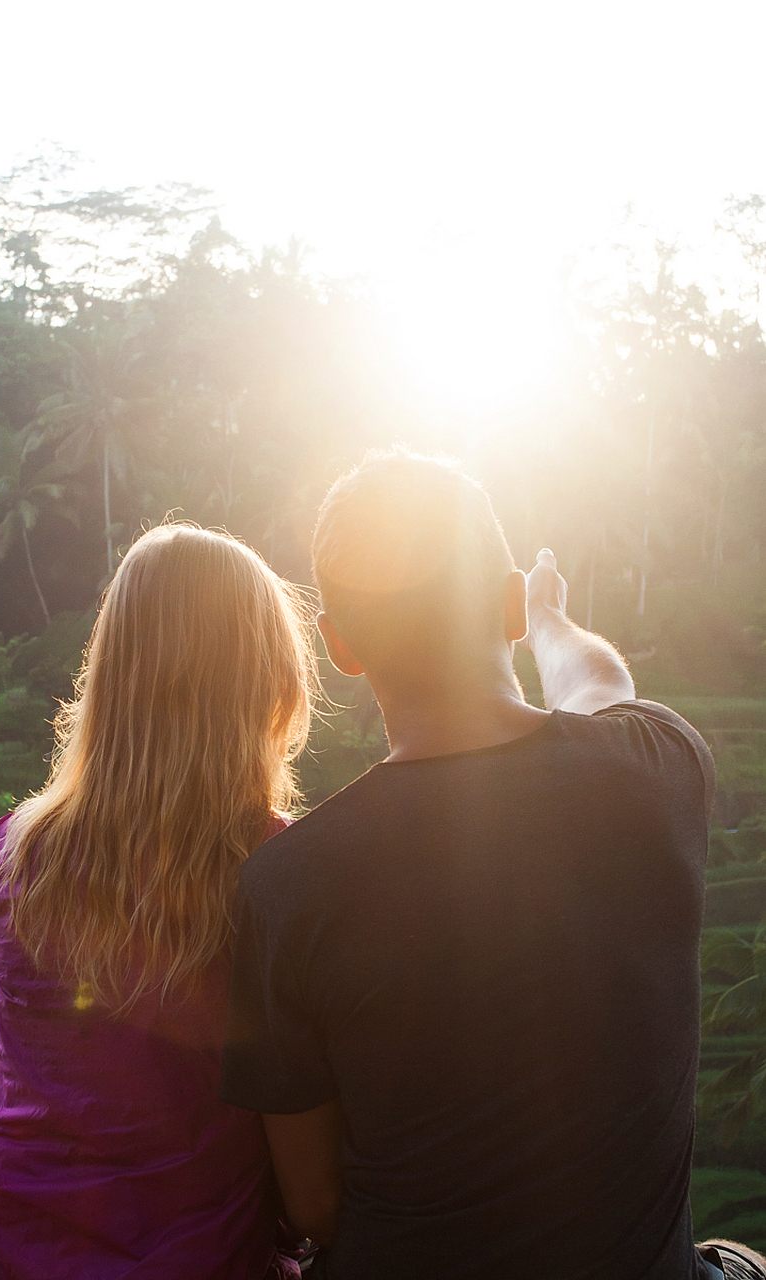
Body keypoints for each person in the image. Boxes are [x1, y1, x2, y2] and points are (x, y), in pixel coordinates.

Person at [220, 450, 766, 1280]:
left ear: (340, 648)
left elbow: (315, 1206)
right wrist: (548, 616)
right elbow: (599, 682)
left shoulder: (283, 885)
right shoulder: (658, 772)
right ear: (507, 605)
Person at [0, 522, 317, 1280]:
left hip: (0, 1256)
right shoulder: (280, 870)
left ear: (109, 672)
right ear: (269, 681)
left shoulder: (5, 857)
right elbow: (310, 1160)